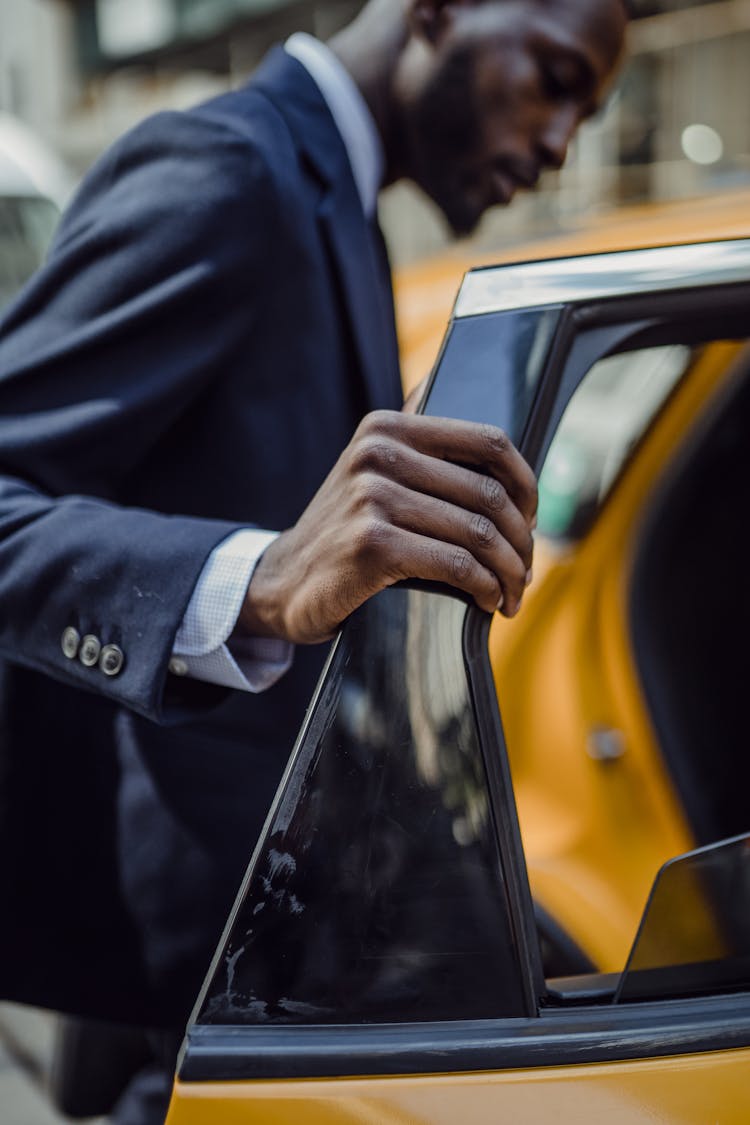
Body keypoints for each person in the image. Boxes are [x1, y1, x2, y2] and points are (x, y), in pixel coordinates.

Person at [0, 0, 627, 1118]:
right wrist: (256, 578)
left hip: (288, 928)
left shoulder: (330, 196)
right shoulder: (228, 171)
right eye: (553, 77)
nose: (558, 142)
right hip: (183, 939)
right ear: (436, 11)